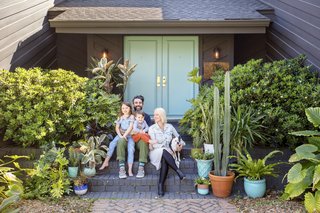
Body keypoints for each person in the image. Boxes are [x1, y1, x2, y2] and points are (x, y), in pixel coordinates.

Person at [148, 107, 186, 197]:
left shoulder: (170, 127)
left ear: (162, 115)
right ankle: (178, 171)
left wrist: (180, 145)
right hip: (155, 152)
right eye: (154, 114)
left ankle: (160, 185)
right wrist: (166, 149)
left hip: (167, 154)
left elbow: (179, 138)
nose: (155, 116)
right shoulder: (152, 128)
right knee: (163, 151)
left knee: (164, 159)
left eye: (157, 114)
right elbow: (154, 145)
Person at [99, 102, 135, 178]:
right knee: (112, 144)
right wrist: (120, 136)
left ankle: (130, 169)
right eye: (123, 108)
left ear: (130, 109)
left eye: (126, 108)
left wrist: (124, 135)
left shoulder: (131, 116)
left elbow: (130, 127)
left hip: (129, 136)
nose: (124, 110)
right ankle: (106, 162)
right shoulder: (120, 117)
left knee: (131, 149)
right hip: (120, 135)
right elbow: (117, 128)